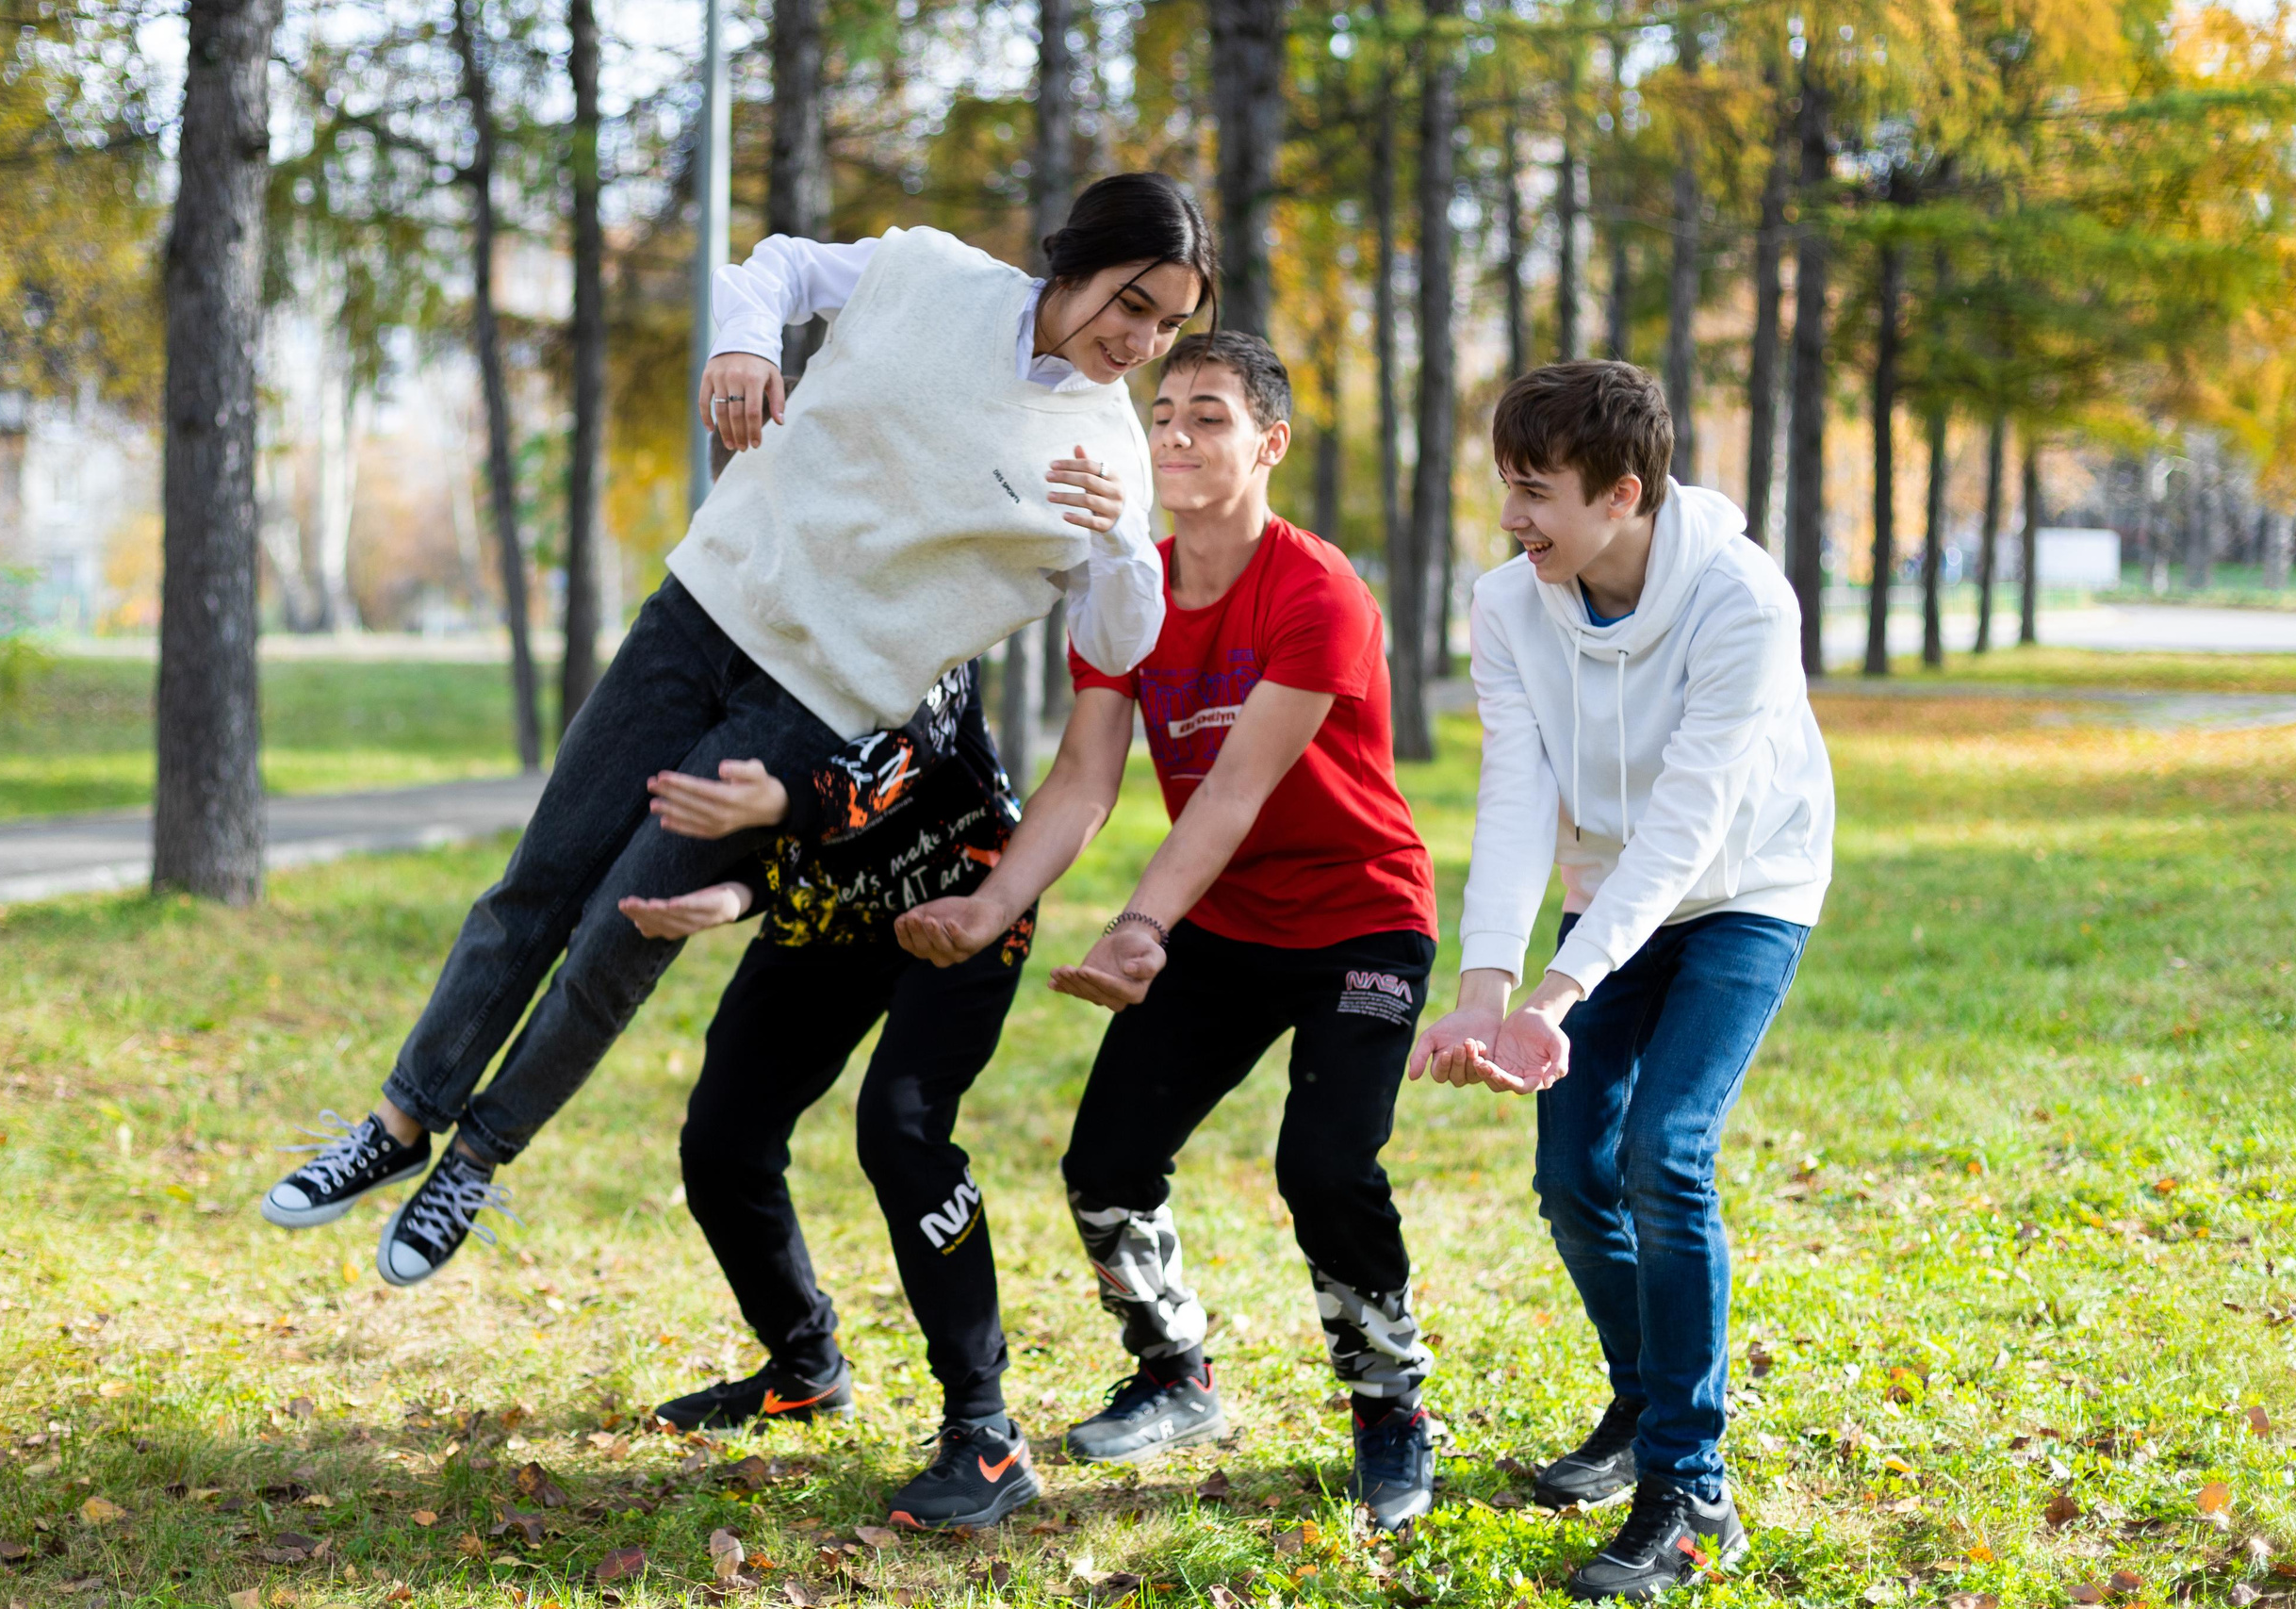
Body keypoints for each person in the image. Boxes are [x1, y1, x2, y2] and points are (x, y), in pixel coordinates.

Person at [257, 173, 1215, 1288]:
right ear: (1074, 262)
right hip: (701, 614)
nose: (1140, 342)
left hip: (812, 704)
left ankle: (479, 1153)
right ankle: (399, 1119)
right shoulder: (932, 275)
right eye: (1131, 304)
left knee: (630, 925)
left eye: (1166, 325)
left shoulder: (1109, 453)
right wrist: (744, 347)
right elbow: (780, 269)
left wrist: (1119, 542)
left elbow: (1120, 632)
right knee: (541, 880)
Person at [894, 332, 1443, 1532]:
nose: (1179, 438)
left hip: (1359, 918)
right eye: (1164, 418)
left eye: (1209, 417)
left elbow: (1238, 788)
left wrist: (1140, 923)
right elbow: (1084, 781)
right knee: (1104, 1165)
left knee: (1324, 1166)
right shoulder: (1123, 592)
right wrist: (994, 906)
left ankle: (1390, 1404)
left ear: (1269, 446)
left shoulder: (1317, 592)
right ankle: (1173, 1372)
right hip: (1225, 921)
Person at [1407, 360, 1833, 1599]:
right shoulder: (1511, 603)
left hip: (1747, 885)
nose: (1512, 518)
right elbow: (1517, 793)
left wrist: (1560, 988)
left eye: (1536, 493)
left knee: (1667, 1150)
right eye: (1507, 488)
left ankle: (1691, 1486)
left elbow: (1693, 822)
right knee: (1573, 1171)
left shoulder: (1742, 599)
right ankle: (1646, 1406)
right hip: (1606, 888)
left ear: (1624, 491)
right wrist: (1490, 977)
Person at [616, 662, 1047, 1530]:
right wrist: (727, 893)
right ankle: (804, 1365)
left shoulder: (929, 618)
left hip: (964, 896)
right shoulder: (751, 643)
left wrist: (773, 804)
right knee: (722, 1142)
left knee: (900, 1129)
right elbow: (774, 851)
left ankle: (986, 1431)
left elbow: (889, 769)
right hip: (830, 913)